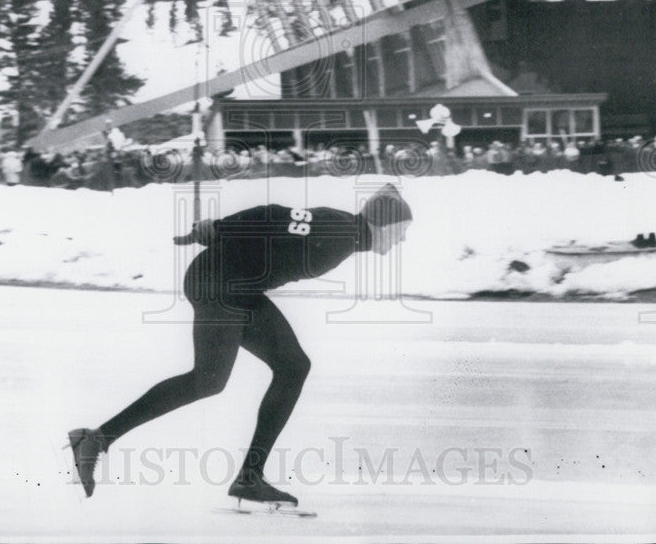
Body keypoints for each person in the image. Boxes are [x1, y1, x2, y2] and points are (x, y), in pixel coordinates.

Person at [67, 183, 413, 507]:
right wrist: (219, 228)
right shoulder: (342, 233)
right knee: (208, 381)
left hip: (236, 286)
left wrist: (221, 230)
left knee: (293, 366)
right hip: (219, 283)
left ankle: (250, 477)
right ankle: (95, 439)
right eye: (403, 230)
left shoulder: (345, 229)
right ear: (384, 225)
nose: (403, 239)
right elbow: (272, 213)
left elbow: (276, 218)